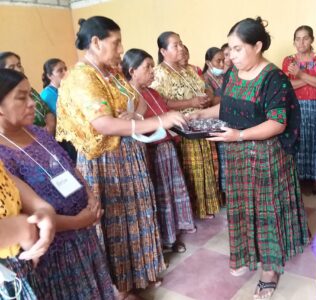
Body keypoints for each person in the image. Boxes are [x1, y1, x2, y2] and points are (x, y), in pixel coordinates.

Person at [55, 16, 185, 299]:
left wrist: (135, 115)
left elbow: (135, 98)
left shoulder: (111, 72)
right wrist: (156, 122)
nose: (120, 48)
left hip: (128, 156)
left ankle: (137, 275)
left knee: (135, 217)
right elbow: (103, 124)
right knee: (114, 223)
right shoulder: (81, 77)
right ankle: (118, 288)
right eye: (115, 43)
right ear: (96, 42)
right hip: (105, 162)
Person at [190, 17, 310, 300]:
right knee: (243, 206)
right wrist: (198, 115)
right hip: (237, 156)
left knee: (267, 210)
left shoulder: (273, 78)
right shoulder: (233, 74)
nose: (231, 55)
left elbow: (278, 123)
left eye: (237, 48)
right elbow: (227, 106)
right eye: (229, 49)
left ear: (257, 46)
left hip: (266, 157)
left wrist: (239, 136)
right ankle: (247, 254)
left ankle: (269, 270)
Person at [0, 68, 115, 299]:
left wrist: (90, 197)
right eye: (22, 98)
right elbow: (25, 213)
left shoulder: (38, 133)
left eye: (30, 95)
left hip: (84, 234)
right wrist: (77, 221)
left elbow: (68, 166)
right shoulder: (2, 155)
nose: (33, 103)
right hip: (55, 252)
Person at [121, 48, 196, 253]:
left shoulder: (152, 92)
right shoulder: (126, 96)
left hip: (165, 148)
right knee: (156, 196)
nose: (152, 71)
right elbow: (134, 126)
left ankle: (172, 236)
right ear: (132, 70)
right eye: (147, 67)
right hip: (147, 153)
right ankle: (162, 240)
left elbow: (165, 117)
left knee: (168, 194)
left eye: (152, 66)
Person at [151, 31, 220, 219]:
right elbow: (161, 103)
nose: (181, 48)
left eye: (181, 44)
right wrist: (191, 103)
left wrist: (204, 100)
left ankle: (209, 204)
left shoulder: (188, 69)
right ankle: (197, 208)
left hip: (202, 122)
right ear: (163, 51)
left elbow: (202, 90)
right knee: (193, 167)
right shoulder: (159, 73)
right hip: (183, 128)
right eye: (175, 45)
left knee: (207, 165)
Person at [282, 25, 316, 200]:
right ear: (293, 41)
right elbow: (286, 86)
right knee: (297, 145)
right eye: (297, 38)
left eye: (305, 38)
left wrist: (299, 74)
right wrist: (312, 80)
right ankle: (296, 186)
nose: (301, 42)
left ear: (312, 39)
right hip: (295, 109)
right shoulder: (288, 61)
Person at [0, 160, 55, 300]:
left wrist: (46, 212)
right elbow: (25, 228)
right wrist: (24, 228)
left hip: (23, 269)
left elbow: (11, 184)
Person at [0, 51, 56, 135]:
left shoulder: (30, 90)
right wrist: (42, 134)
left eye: (19, 65)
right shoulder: (5, 98)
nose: (18, 69)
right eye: (12, 67)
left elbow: (47, 110)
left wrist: (50, 125)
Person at [40, 58, 77, 162]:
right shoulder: (47, 95)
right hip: (65, 140)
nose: (65, 72)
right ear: (49, 76)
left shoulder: (66, 89)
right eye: (60, 70)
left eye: (65, 69)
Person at [202, 47, 227, 198]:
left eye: (223, 60)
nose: (222, 64)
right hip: (214, 120)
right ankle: (222, 192)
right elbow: (211, 100)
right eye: (218, 61)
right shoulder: (205, 79)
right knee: (220, 158)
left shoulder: (224, 77)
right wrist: (231, 98)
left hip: (225, 119)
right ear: (208, 62)